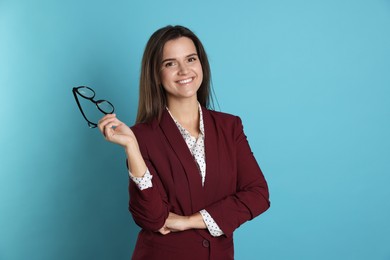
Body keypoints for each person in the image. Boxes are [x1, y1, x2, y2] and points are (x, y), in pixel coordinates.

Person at [98, 25, 270, 260]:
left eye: (190, 59)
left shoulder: (230, 127)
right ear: (156, 75)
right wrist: (132, 148)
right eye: (170, 63)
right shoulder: (141, 136)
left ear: (201, 64)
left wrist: (189, 221)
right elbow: (153, 219)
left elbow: (258, 195)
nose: (184, 70)